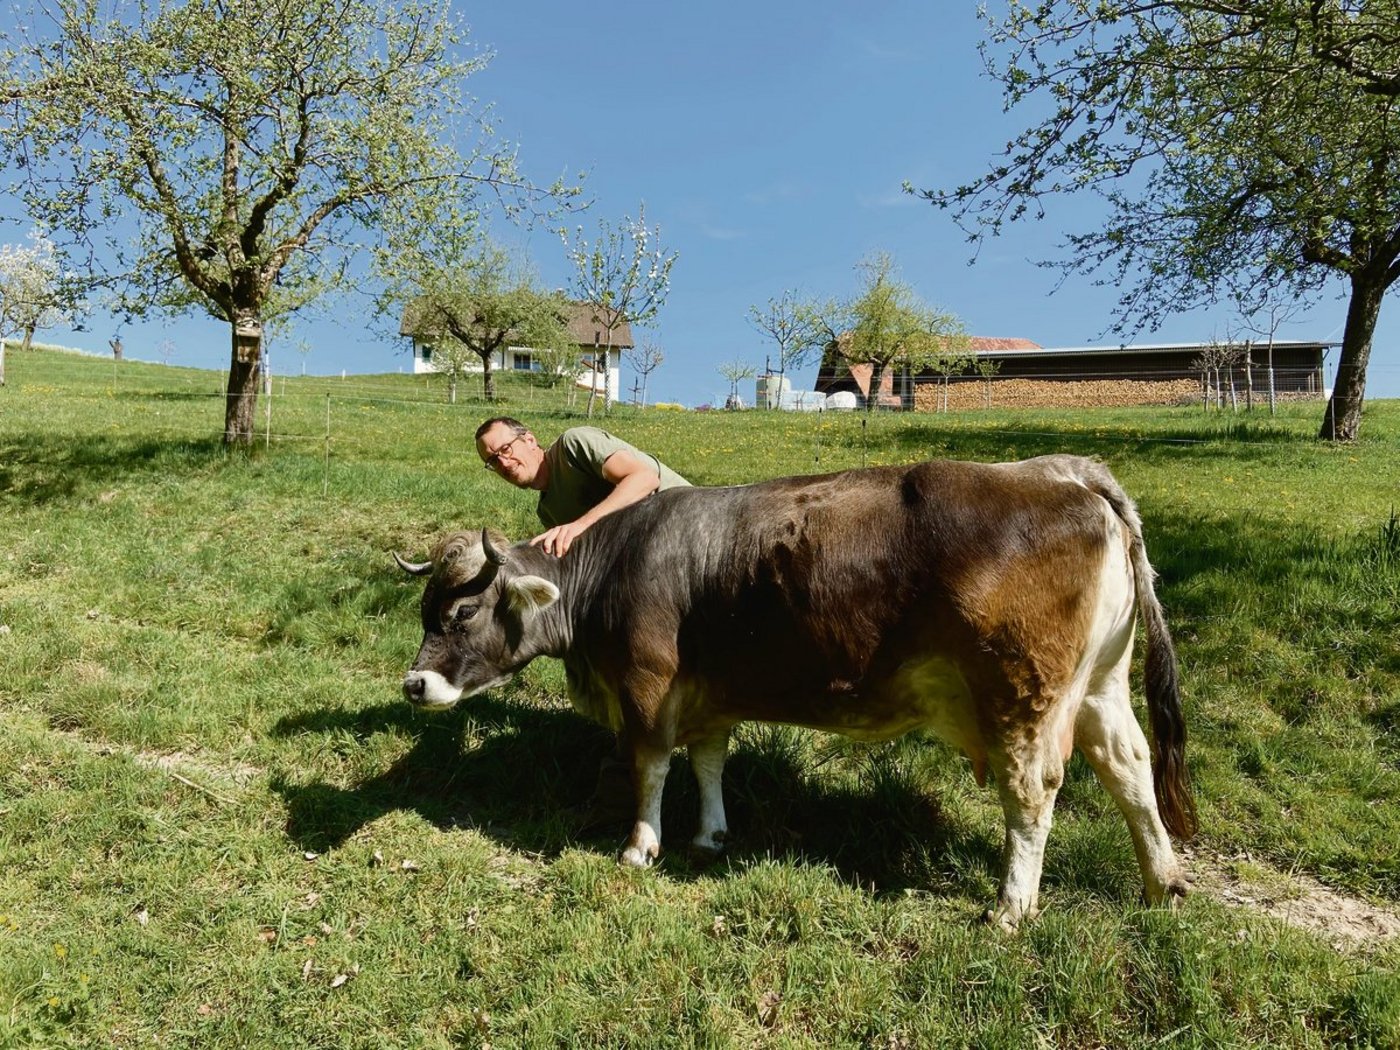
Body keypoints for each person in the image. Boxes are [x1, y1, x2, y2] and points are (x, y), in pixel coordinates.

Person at [475, 416, 691, 557]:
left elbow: (645, 478)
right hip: (654, 556)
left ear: (530, 440)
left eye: (505, 449)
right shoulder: (548, 512)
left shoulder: (573, 446)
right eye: (492, 461)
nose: (502, 463)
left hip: (689, 523)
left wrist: (580, 525)